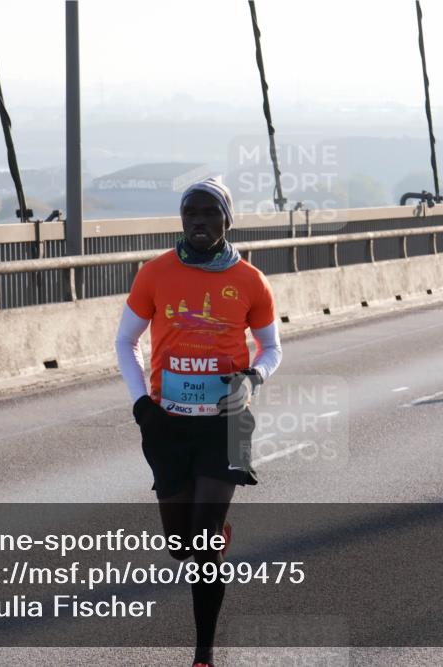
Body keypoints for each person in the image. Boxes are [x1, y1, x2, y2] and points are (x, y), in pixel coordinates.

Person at [114, 176, 282, 667]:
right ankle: (207, 530)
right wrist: (140, 402)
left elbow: (271, 347)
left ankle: (204, 653)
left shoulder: (250, 281)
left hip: (225, 424)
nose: (199, 223)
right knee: (178, 546)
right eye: (191, 214)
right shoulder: (155, 274)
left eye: (210, 214)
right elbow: (126, 342)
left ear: (227, 220)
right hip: (167, 424)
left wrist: (254, 376)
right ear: (182, 221)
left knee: (204, 544)